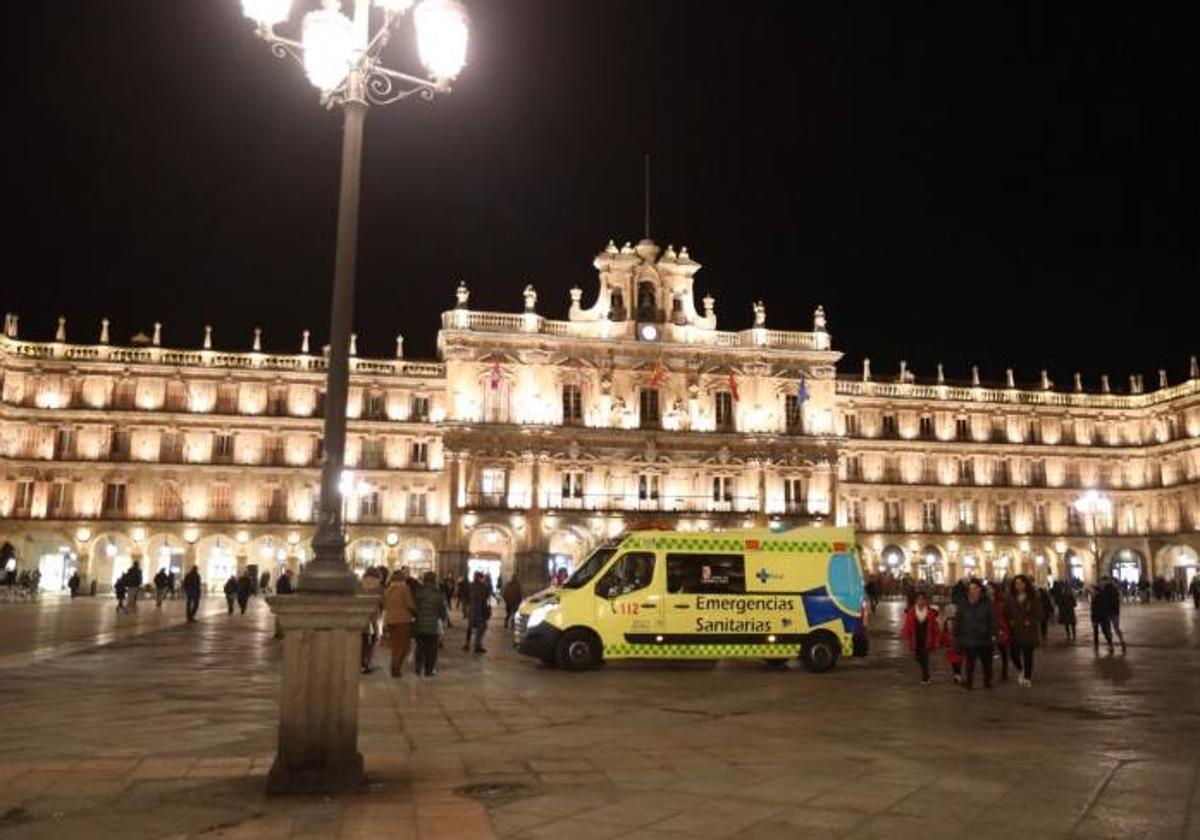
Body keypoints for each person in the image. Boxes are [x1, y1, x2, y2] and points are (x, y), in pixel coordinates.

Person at [955, 579, 996, 690]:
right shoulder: (963, 603)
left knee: (987, 663)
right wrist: (957, 634)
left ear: (980, 590)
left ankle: (987, 681)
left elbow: (992, 619)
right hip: (968, 638)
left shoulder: (987, 603)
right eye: (971, 588)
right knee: (969, 663)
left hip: (984, 638)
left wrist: (992, 633)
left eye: (975, 588)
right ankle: (969, 682)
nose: (972, 591)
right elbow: (958, 620)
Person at [1007, 574, 1043, 688]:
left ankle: (1027, 677)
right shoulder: (1010, 598)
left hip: (1028, 631)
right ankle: (1020, 669)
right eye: (1016, 583)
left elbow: (1040, 614)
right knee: (1013, 653)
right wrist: (1009, 620)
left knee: (1028, 655)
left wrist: (1030, 621)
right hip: (1015, 630)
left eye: (1021, 583)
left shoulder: (1032, 598)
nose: (1019, 586)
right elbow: (1006, 612)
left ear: (1026, 584)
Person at [414, 571, 450, 677]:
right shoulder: (438, 594)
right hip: (433, 625)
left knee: (420, 647)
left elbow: (414, 606)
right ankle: (429, 670)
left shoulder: (419, 592)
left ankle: (418, 668)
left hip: (420, 624)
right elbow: (442, 610)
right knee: (432, 649)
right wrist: (443, 619)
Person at [382, 571, 417, 677]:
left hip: (390, 619)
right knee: (404, 645)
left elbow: (384, 604)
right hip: (403, 620)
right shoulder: (404, 589)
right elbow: (410, 604)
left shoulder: (387, 590)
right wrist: (416, 612)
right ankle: (396, 667)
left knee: (395, 645)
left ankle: (394, 665)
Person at [901, 591, 940, 685]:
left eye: (923, 599)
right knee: (918, 657)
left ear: (926, 601)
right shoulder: (911, 612)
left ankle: (925, 676)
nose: (921, 602)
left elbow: (935, 627)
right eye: (919, 599)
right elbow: (907, 625)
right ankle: (926, 674)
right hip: (916, 638)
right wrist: (906, 636)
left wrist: (937, 640)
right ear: (916, 601)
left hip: (927, 638)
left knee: (925, 656)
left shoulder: (930, 612)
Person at [464, 572, 490, 653]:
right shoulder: (482, 587)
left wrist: (466, 607)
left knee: (470, 626)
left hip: (471, 609)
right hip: (479, 609)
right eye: (482, 578)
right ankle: (477, 645)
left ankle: (467, 644)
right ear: (479, 578)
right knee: (482, 626)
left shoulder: (470, 586)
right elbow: (484, 598)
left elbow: (466, 597)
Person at [992, 584, 1012, 681]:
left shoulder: (1000, 602)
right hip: (990, 629)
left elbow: (1006, 615)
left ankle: (1004, 671)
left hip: (1000, 629)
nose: (988, 590)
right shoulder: (985, 601)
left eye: (990, 588)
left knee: (1003, 650)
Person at [1101, 578, 1127, 652]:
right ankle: (1122, 641)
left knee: (1108, 629)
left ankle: (1111, 645)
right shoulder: (1115, 590)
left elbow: (1103, 603)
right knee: (1116, 628)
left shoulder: (1104, 591)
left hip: (1107, 613)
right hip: (1115, 612)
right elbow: (1118, 601)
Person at [1090, 584, 1115, 652]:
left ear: (1096, 591)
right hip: (1100, 617)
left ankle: (1107, 644)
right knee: (1100, 631)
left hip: (1100, 617)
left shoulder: (1099, 598)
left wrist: (1093, 619)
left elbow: (1094, 609)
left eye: (1093, 591)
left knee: (1102, 631)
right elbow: (1093, 609)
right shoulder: (1097, 597)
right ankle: (1101, 644)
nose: (1092, 592)